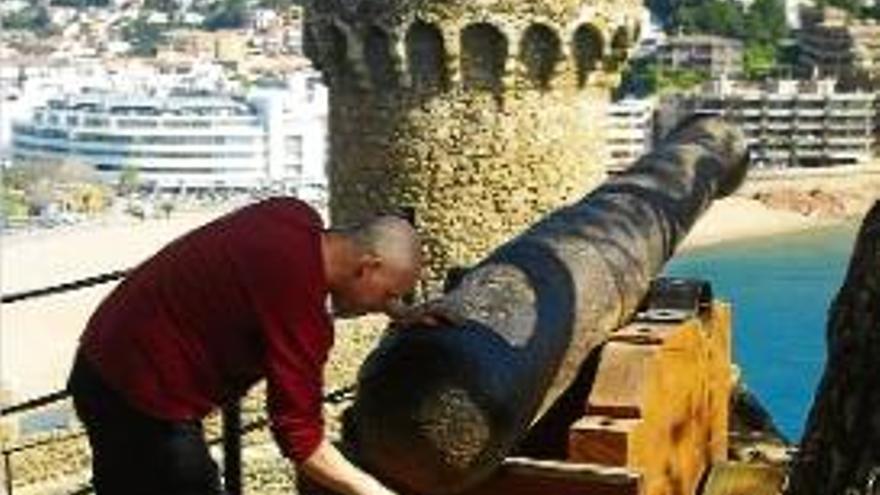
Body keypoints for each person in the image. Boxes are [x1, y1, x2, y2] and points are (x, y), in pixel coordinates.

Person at [67, 197, 424, 495]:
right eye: (389, 293)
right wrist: (374, 491)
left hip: (101, 357)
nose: (384, 304)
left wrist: (400, 312)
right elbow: (300, 439)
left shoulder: (292, 215)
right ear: (367, 267)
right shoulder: (299, 307)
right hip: (141, 399)